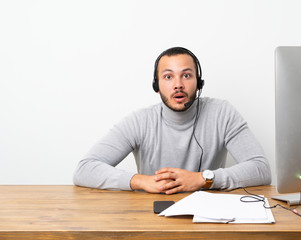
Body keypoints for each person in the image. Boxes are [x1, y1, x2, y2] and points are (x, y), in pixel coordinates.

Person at [73, 47, 271, 194]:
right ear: (156, 85)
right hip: (152, 218)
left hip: (209, 220)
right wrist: (139, 181)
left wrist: (203, 179)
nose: (178, 85)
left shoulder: (222, 113)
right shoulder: (139, 121)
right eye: (168, 77)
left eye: (186, 75)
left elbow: (260, 169)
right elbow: (85, 169)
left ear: (198, 81)